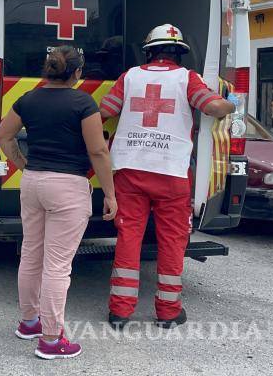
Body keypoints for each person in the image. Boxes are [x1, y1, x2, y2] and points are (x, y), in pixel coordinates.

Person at [99, 24, 236, 329]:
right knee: (172, 241)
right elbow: (214, 107)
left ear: (148, 51)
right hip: (171, 171)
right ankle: (168, 311)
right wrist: (232, 104)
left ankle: (120, 311)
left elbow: (104, 111)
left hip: (129, 169)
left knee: (129, 235)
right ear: (179, 54)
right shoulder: (188, 78)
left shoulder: (130, 76)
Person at [0, 46, 117, 360]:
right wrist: (111, 194)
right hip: (67, 187)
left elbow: (3, 136)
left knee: (31, 254)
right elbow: (98, 152)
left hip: (33, 183)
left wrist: (23, 164)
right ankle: (51, 340)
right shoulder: (83, 103)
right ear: (77, 73)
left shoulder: (28, 99)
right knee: (58, 267)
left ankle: (29, 322)